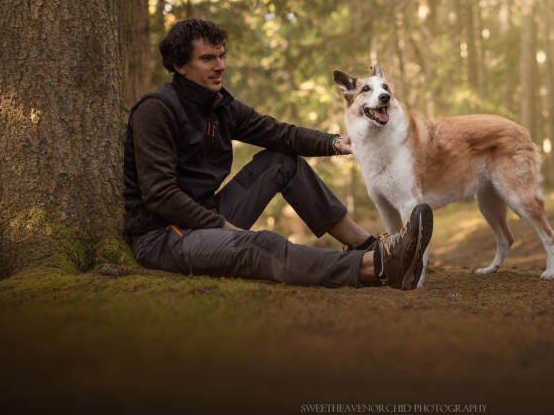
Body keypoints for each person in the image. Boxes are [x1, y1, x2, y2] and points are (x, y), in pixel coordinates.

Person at [123, 18, 432, 290]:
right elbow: (160, 195)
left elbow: (279, 134)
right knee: (260, 244)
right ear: (179, 65)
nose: (220, 66)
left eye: (221, 56)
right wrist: (221, 227)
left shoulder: (220, 106)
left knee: (282, 160)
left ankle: (367, 246)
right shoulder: (157, 109)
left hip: (207, 215)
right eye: (207, 59)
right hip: (164, 236)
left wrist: (335, 143)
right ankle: (376, 267)